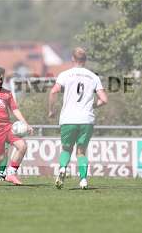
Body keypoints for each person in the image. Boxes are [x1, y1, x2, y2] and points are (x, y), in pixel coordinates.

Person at [48, 47, 108, 189]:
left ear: (72, 59)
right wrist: (93, 106)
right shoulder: (93, 77)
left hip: (68, 118)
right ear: (85, 60)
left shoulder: (65, 74)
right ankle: (83, 180)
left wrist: (51, 110)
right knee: (81, 151)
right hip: (86, 119)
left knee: (66, 149)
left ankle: (63, 168)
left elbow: (53, 91)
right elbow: (104, 99)